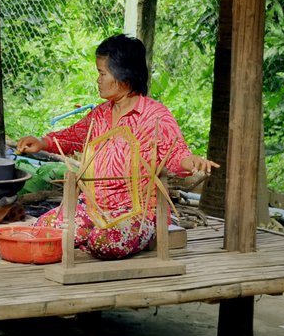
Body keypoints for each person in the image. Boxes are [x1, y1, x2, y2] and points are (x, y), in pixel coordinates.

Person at [16, 34, 219, 260]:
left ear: (125, 76)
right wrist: (43, 143)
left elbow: (174, 154)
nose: (98, 80)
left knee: (105, 242)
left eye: (102, 73)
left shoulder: (154, 116)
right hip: (93, 207)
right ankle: (90, 236)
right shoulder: (102, 114)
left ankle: (110, 236)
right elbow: (73, 137)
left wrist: (190, 162)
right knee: (45, 227)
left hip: (136, 213)